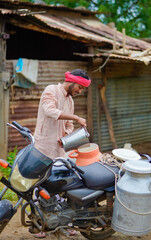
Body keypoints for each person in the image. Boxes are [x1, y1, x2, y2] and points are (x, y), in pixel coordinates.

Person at [33, 69, 91, 238]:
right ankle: (41, 225)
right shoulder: (50, 90)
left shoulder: (70, 101)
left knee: (61, 185)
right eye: (79, 87)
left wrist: (66, 133)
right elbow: (50, 111)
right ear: (72, 81)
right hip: (43, 147)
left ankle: (63, 222)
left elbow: (68, 125)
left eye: (82, 89)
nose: (80, 91)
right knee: (41, 186)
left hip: (60, 150)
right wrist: (76, 118)